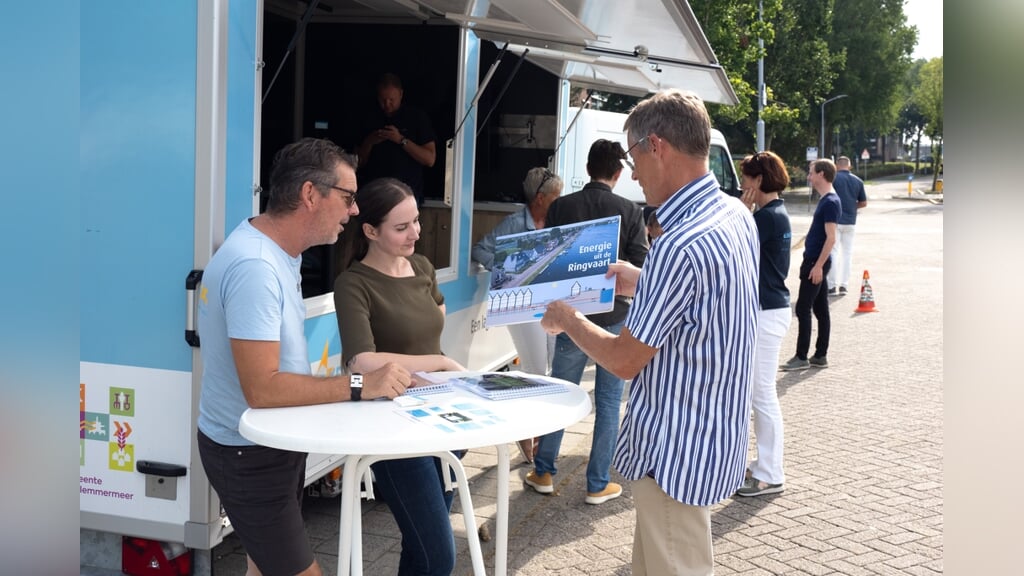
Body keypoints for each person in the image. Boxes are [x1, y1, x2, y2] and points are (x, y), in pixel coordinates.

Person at [540, 89, 759, 575]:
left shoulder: (679, 244)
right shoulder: (734, 214)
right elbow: (708, 296)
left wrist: (568, 318)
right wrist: (641, 278)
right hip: (708, 435)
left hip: (674, 450)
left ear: (656, 146)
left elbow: (623, 359)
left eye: (634, 156)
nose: (633, 173)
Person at [196, 138, 412, 576]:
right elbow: (262, 388)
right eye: (348, 198)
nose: (354, 211)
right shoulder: (256, 266)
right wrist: (359, 386)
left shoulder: (277, 251)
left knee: (264, 566)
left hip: (265, 444)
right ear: (311, 195)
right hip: (248, 453)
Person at [333, 177, 466, 576]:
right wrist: (437, 363)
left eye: (417, 221)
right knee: (439, 555)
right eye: (402, 227)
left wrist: (431, 364)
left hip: (444, 418)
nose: (416, 233)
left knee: (422, 545)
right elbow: (360, 362)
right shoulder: (353, 283)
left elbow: (435, 314)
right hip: (392, 430)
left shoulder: (422, 267)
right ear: (370, 231)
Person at [523, 139, 649, 506]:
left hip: (570, 320)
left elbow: (548, 257)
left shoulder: (562, 206)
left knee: (561, 393)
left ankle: (543, 470)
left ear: (589, 166)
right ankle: (597, 483)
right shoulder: (630, 210)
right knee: (609, 403)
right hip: (614, 321)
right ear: (618, 172)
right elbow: (641, 262)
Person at [471, 167, 563, 463]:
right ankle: (531, 439)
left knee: (544, 371)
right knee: (537, 372)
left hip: (548, 303)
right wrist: (510, 269)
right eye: (555, 196)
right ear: (540, 198)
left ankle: (532, 436)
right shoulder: (514, 223)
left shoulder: (556, 219)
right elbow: (480, 250)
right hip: (519, 305)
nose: (559, 200)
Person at [736, 151, 793, 497]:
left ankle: (771, 472)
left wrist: (742, 214)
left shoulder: (766, 218)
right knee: (760, 393)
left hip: (766, 312)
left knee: (762, 394)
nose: (743, 184)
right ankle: (763, 466)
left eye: (746, 178)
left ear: (758, 181)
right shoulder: (775, 213)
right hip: (772, 309)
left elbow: (735, 247)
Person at [780, 159, 841, 371]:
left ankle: (801, 356)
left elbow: (831, 238)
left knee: (804, 308)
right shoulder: (827, 201)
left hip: (816, 262)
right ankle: (820, 355)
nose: (809, 176)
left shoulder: (831, 202)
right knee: (821, 308)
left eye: (811, 172)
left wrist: (818, 266)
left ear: (822, 174)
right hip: (815, 261)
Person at [357, 73, 437, 206]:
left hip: (406, 196)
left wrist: (401, 140)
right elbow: (357, 162)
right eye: (383, 100)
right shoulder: (368, 118)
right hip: (374, 195)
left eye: (391, 99)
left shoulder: (417, 118)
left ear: (401, 94)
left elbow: (430, 159)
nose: (387, 104)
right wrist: (370, 141)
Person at [826, 156, 867, 295]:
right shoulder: (858, 181)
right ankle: (844, 285)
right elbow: (863, 203)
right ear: (849, 166)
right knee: (847, 254)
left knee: (833, 252)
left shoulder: (833, 179)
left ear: (837, 166)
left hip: (835, 220)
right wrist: (852, 207)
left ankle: (831, 286)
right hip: (850, 221)